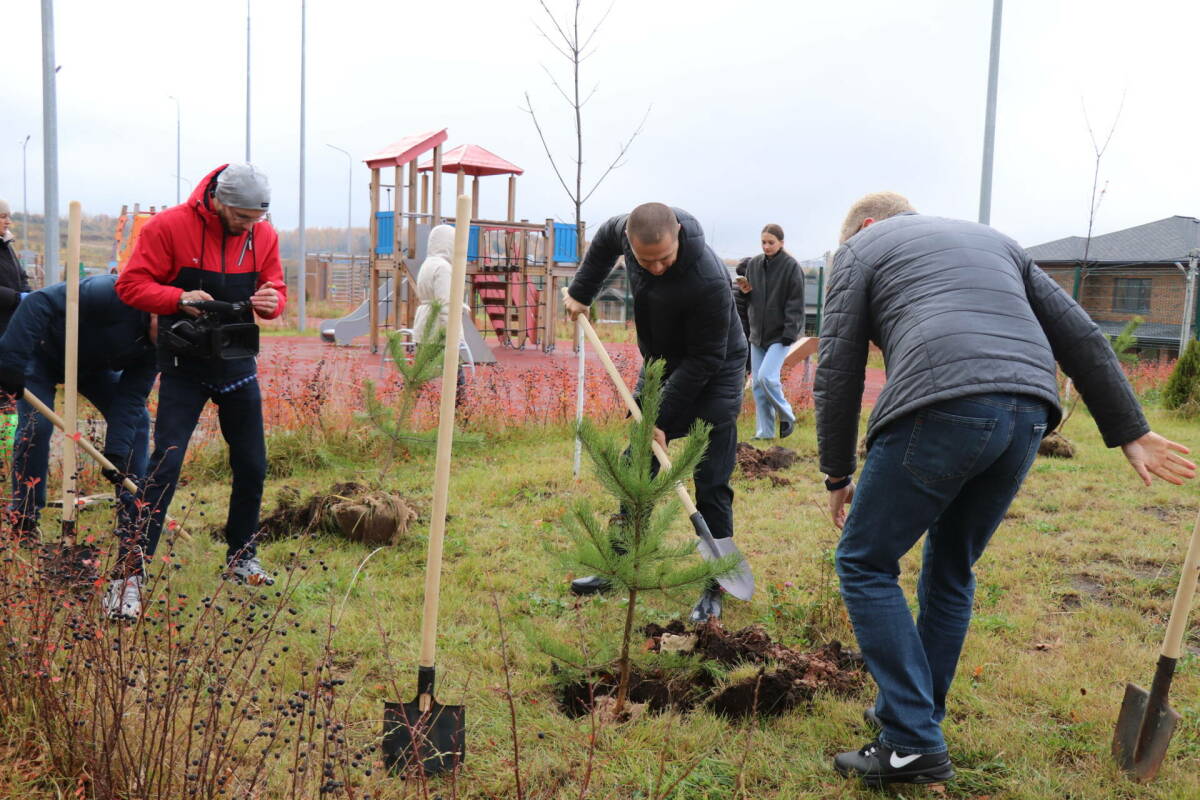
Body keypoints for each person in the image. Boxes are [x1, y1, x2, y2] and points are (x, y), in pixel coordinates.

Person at [815, 192, 1196, 786]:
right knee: (951, 568)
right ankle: (915, 719)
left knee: (865, 560)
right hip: (1027, 412)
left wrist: (837, 472)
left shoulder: (860, 250)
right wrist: (1131, 430)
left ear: (864, 226)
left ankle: (912, 741)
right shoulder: (997, 242)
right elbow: (1081, 335)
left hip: (941, 405)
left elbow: (838, 366)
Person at [564, 203, 747, 621]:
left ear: (678, 233)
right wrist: (580, 292)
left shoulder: (709, 280)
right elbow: (602, 244)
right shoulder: (624, 232)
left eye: (665, 257)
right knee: (636, 466)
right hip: (661, 364)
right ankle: (620, 561)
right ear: (631, 242)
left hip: (715, 370)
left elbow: (705, 359)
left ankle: (715, 582)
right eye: (647, 261)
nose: (658, 267)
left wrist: (660, 420)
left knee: (712, 480)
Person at [115, 163, 287, 610]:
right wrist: (178, 298)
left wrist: (273, 302)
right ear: (219, 201)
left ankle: (241, 557)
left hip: (237, 364)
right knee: (165, 466)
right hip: (183, 365)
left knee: (252, 463)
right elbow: (130, 285)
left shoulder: (263, 235)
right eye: (243, 217)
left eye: (257, 218)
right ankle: (129, 575)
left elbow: (276, 289)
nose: (251, 225)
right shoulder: (168, 227)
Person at [0, 275, 155, 557]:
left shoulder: (158, 346)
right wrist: (11, 362)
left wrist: (117, 453)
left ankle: (134, 517)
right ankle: (24, 518)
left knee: (139, 423)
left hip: (92, 368)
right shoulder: (113, 292)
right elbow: (38, 302)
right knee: (38, 426)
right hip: (43, 354)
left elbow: (130, 399)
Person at [741, 224, 805, 439]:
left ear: (781, 243)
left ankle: (787, 415)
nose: (766, 246)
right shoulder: (754, 265)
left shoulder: (791, 267)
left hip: (781, 334)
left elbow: (796, 303)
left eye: (771, 242)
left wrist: (790, 331)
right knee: (757, 385)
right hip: (757, 333)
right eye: (763, 242)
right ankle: (764, 433)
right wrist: (745, 292)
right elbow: (752, 299)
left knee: (767, 378)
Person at [411, 224, 465, 397]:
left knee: (419, 372)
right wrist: (453, 333)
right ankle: (460, 414)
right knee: (455, 376)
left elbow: (432, 296)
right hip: (438, 328)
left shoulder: (427, 264)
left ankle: (407, 410)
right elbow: (445, 302)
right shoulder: (443, 268)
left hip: (424, 323)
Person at [0, 199, 32, 446]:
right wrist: (16, 298)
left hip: (9, 330)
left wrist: (28, 297)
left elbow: (21, 278)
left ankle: (5, 454)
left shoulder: (7, 246)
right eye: (2, 216)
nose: (8, 221)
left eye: (8, 215)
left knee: (8, 396)